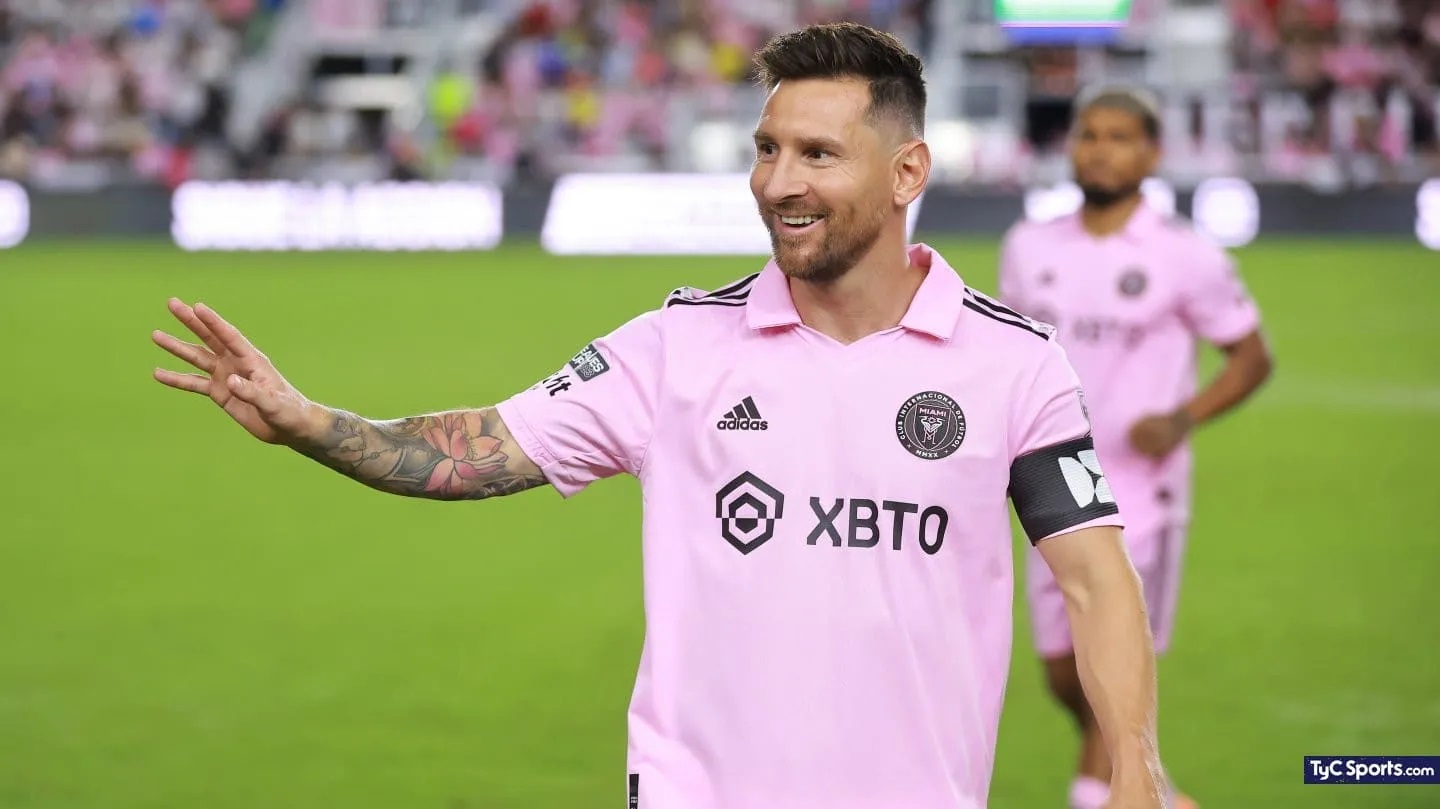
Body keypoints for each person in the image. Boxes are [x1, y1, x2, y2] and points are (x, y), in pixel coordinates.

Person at [153, 24, 1167, 809]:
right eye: (767, 149)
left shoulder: (1014, 365)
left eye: (818, 154)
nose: (779, 183)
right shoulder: (674, 346)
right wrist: (310, 421)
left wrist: (1133, 765)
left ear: (908, 172)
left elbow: (1095, 578)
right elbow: (476, 451)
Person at [998, 86, 1275, 809]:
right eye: (1089, 135)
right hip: (1049, 484)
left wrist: (1182, 418)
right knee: (1064, 673)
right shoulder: (1028, 247)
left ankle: (1101, 790)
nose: (1100, 150)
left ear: (1152, 154)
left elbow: (1251, 356)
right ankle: (1155, 788)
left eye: (1120, 137)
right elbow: (1008, 360)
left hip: (1140, 495)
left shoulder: (1186, 255)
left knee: (1108, 671)